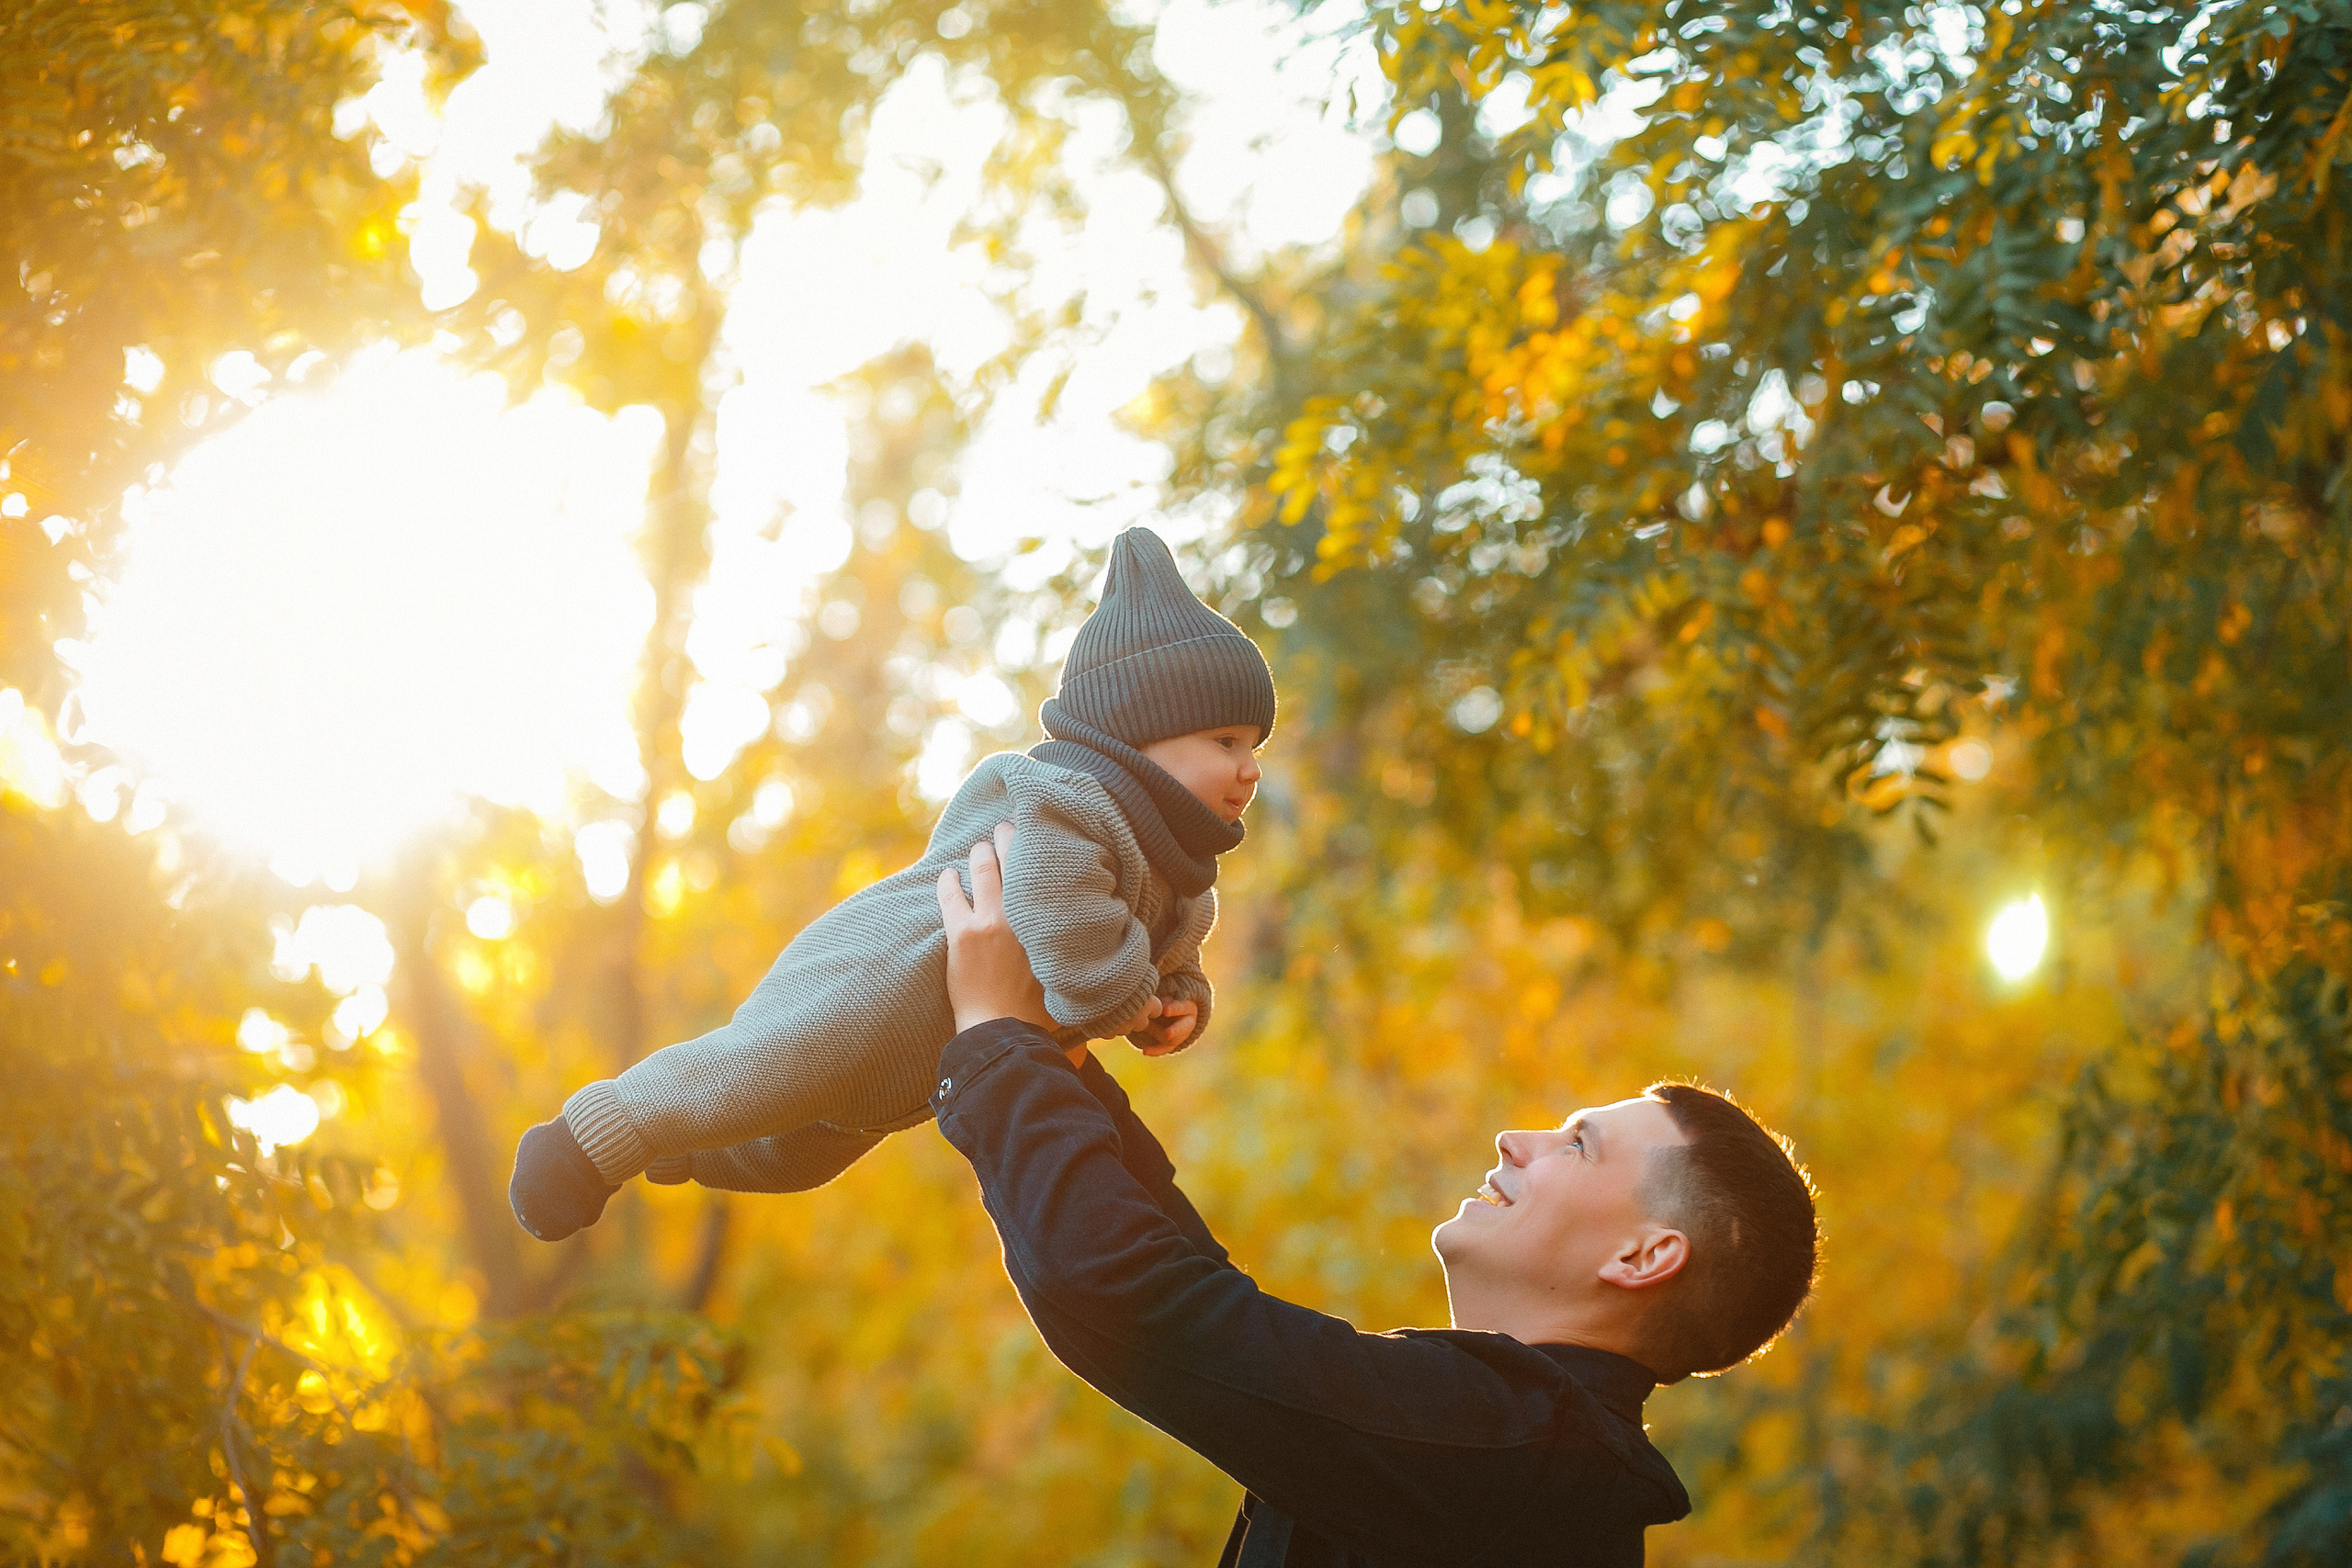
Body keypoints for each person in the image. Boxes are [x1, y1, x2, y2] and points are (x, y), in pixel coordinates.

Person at [929, 825, 1820, 1566]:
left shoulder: (1513, 1451)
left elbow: (1141, 1302)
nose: (1517, 1138)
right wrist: (1065, 1066)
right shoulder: (1517, 1452)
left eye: (1577, 1143)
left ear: (1643, 1255)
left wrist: (1000, 1041)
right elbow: (1194, 1294)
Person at [508, 528, 1275, 1241]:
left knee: (799, 1157)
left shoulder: (1180, 875)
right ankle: (594, 1135)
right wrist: (1127, 996)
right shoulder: (1067, 804)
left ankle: (678, 1147)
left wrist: (1176, 1000)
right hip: (873, 983)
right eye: (1225, 740)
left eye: (1255, 746)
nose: (1249, 766)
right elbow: (1068, 930)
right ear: (1143, 732)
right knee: (761, 1071)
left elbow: (1164, 953)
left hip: (916, 1069)